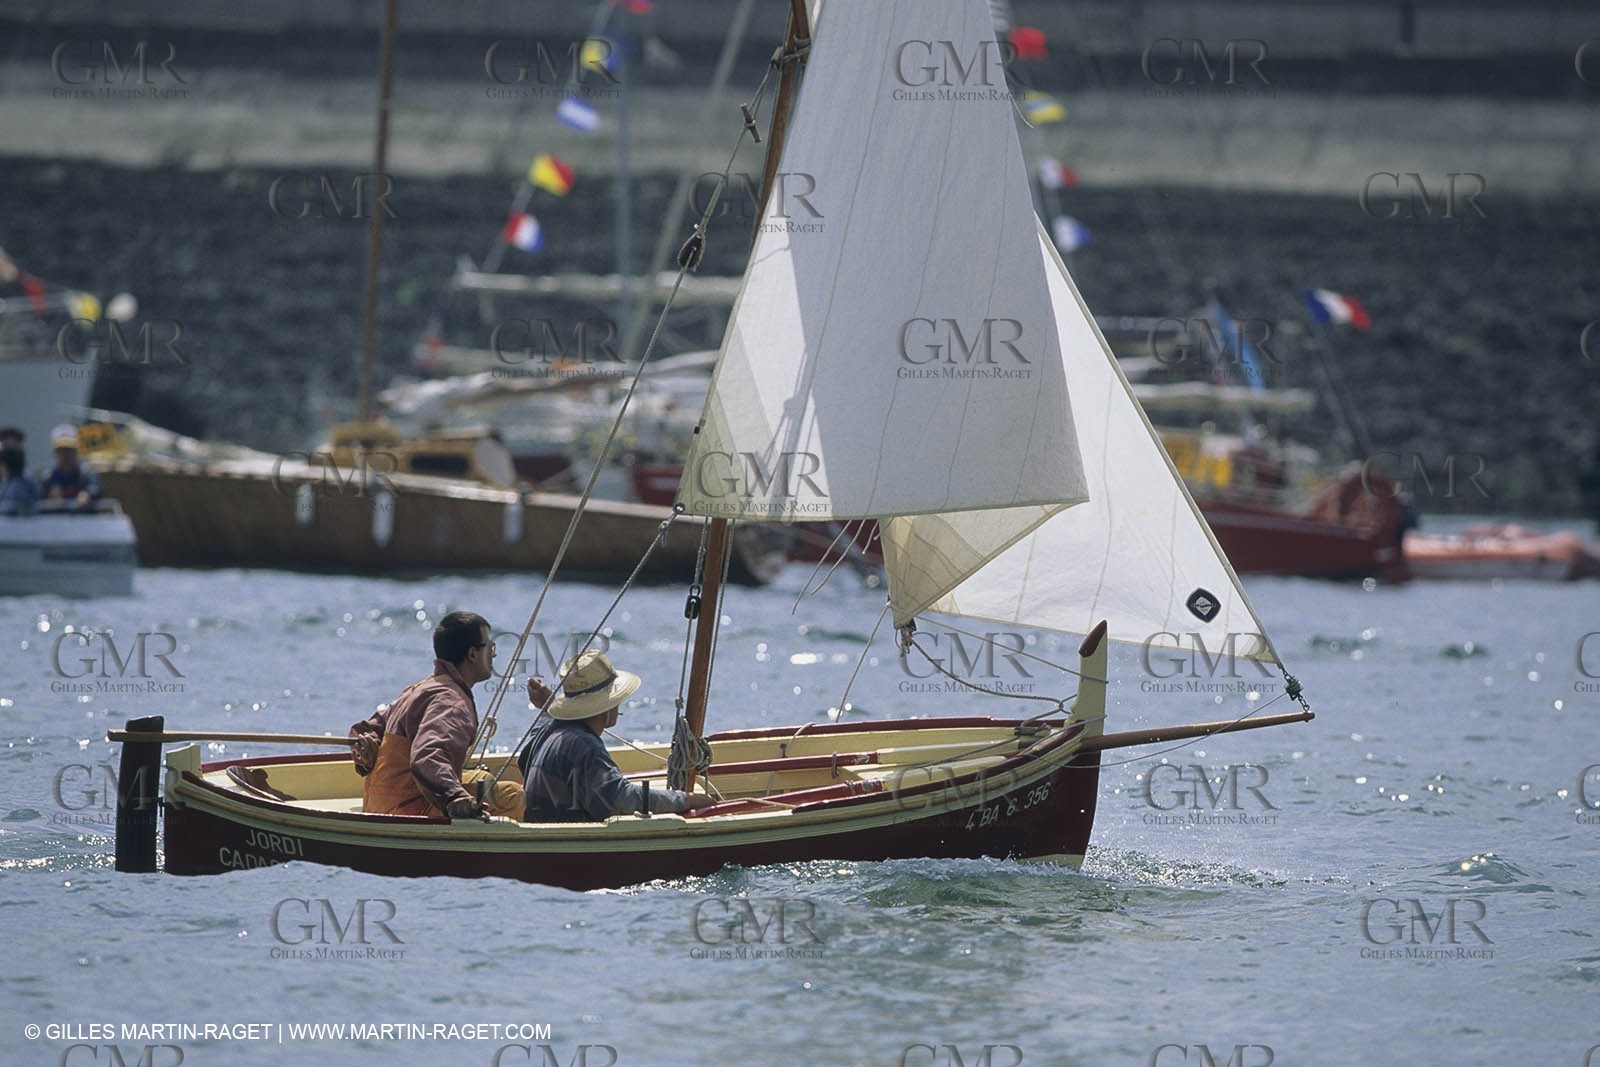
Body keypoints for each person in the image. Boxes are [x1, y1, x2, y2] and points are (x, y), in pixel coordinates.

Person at [348, 611, 523, 819]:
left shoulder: (421, 688)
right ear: (473, 654)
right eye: (490, 647)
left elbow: (367, 729)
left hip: (380, 804)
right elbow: (427, 755)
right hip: (408, 811)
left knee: (483, 778)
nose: (493, 655)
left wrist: (366, 743)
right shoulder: (451, 702)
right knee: (512, 795)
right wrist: (454, 797)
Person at [521, 650, 715, 822]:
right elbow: (620, 800)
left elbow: (525, 758)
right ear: (604, 706)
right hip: (570, 849)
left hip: (547, 836)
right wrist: (685, 800)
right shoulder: (586, 747)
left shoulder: (552, 730)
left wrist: (548, 709)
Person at [40, 425, 102, 511]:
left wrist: (87, 494)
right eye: (62, 450)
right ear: (55, 452)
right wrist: (49, 498)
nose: (66, 454)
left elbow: (96, 488)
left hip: (83, 520)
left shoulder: (86, 472)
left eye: (69, 449)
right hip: (57, 521)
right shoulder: (48, 476)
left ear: (76, 451)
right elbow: (38, 497)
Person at [1, 447, 40, 516]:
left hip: (20, 524)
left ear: (7, 466)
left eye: (2, 465)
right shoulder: (8, 483)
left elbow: (11, 510)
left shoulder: (18, 486)